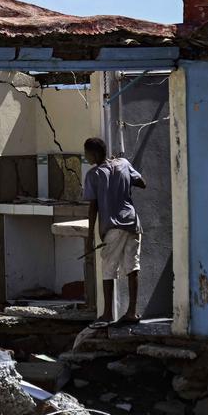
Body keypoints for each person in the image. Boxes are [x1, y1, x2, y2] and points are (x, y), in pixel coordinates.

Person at [82, 136, 146, 327]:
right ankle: (132, 312)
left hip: (113, 227)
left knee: (109, 269)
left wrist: (89, 237)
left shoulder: (93, 175)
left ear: (93, 154)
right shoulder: (124, 163)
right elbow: (142, 183)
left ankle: (108, 313)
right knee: (132, 266)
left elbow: (93, 207)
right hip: (133, 222)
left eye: (86, 153)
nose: (86, 157)